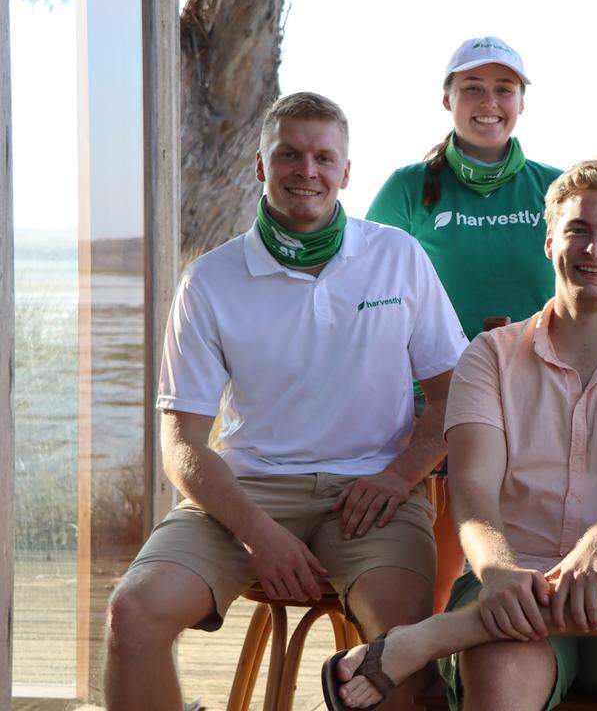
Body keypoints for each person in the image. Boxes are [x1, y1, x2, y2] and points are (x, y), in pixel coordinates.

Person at [324, 158, 597, 710]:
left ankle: (434, 638)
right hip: (506, 593)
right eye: (578, 231)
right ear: (549, 243)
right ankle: (480, 623)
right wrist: (496, 570)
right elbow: (472, 492)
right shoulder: (489, 358)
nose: (595, 249)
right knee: (497, 689)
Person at [103, 92, 468, 710]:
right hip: (246, 492)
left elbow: (452, 398)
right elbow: (183, 442)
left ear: (347, 173)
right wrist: (257, 534)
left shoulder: (397, 257)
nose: (308, 171)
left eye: (325, 158)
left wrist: (398, 475)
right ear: (259, 165)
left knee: (404, 646)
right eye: (289, 155)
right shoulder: (209, 280)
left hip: (370, 495)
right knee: (131, 615)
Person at [367, 36, 562, 614]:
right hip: (433, 404)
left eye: (504, 89)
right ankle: (419, 678)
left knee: (523, 551)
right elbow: (368, 294)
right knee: (435, 567)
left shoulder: (557, 188)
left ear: (522, 102)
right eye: (472, 87)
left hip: (534, 396)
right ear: (447, 98)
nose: (489, 102)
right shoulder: (407, 187)